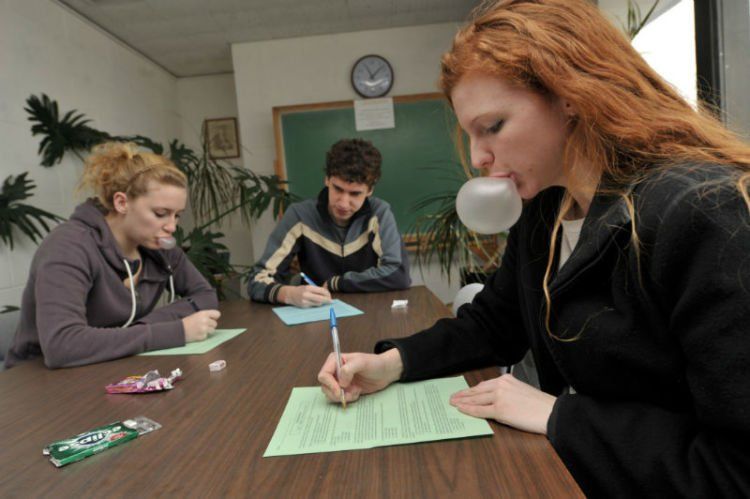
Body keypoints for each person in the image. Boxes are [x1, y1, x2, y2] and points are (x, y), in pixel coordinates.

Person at [318, 0, 750, 496]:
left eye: (493, 126)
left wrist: (560, 416)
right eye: (471, 134)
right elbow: (495, 323)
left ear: (570, 95)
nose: (478, 157)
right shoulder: (544, 210)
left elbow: (735, 469)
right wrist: (392, 364)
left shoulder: (706, 213)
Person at [5, 142, 220, 369]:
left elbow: (205, 296)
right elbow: (62, 346)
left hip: (108, 367)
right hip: (38, 385)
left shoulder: (158, 245)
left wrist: (140, 328)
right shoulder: (68, 246)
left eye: (177, 215)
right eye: (160, 213)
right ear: (122, 202)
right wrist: (176, 331)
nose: (171, 226)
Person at [248, 138, 411, 307]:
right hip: (317, 318)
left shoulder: (380, 213)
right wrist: (288, 294)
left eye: (355, 194)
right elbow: (257, 280)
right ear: (327, 180)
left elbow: (398, 274)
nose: (343, 203)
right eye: (338, 189)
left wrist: (337, 283)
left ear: (370, 190)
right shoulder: (299, 216)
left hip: (373, 314)